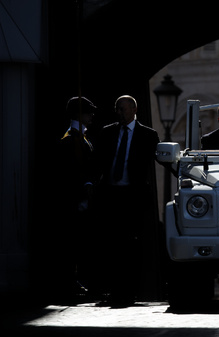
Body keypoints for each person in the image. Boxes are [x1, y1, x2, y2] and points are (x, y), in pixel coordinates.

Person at [95, 95, 161, 306]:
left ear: (134, 109)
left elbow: (159, 163)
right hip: (111, 195)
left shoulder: (148, 135)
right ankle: (113, 291)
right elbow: (98, 162)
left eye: (122, 109)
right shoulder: (107, 132)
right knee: (111, 244)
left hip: (134, 198)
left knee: (132, 246)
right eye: (117, 109)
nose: (119, 113)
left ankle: (130, 292)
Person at [53, 96, 97, 301]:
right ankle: (70, 282)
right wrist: (86, 188)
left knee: (77, 242)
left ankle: (74, 280)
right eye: (88, 112)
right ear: (80, 114)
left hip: (78, 199)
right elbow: (75, 170)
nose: (92, 115)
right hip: (75, 201)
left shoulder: (79, 137)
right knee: (73, 242)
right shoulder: (72, 139)